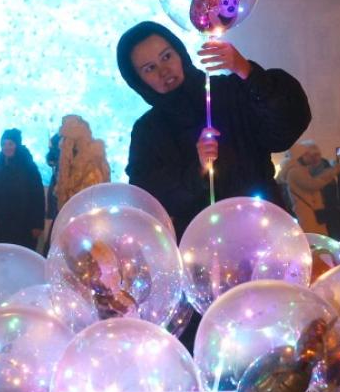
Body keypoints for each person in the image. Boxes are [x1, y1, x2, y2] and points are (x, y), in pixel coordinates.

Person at [117, 22, 310, 238]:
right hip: (201, 249)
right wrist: (197, 170)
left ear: (179, 53)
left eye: (166, 56)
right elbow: (150, 198)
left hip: (266, 233)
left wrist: (246, 71)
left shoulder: (230, 92)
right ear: (137, 80)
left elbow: (287, 123)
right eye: (150, 68)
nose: (164, 70)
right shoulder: (148, 131)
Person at [0, 128, 45, 248]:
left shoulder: (29, 167)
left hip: (26, 224)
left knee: (25, 258)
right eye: (4, 144)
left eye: (10, 143)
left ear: (17, 144)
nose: (7, 147)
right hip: (5, 224)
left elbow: (38, 196)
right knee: (5, 258)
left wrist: (38, 224)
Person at [282, 140, 340, 234]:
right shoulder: (295, 172)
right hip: (307, 214)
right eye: (307, 154)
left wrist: (334, 170)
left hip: (311, 213)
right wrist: (334, 170)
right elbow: (313, 184)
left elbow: (316, 180)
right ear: (300, 156)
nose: (310, 157)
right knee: (313, 241)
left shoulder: (300, 170)